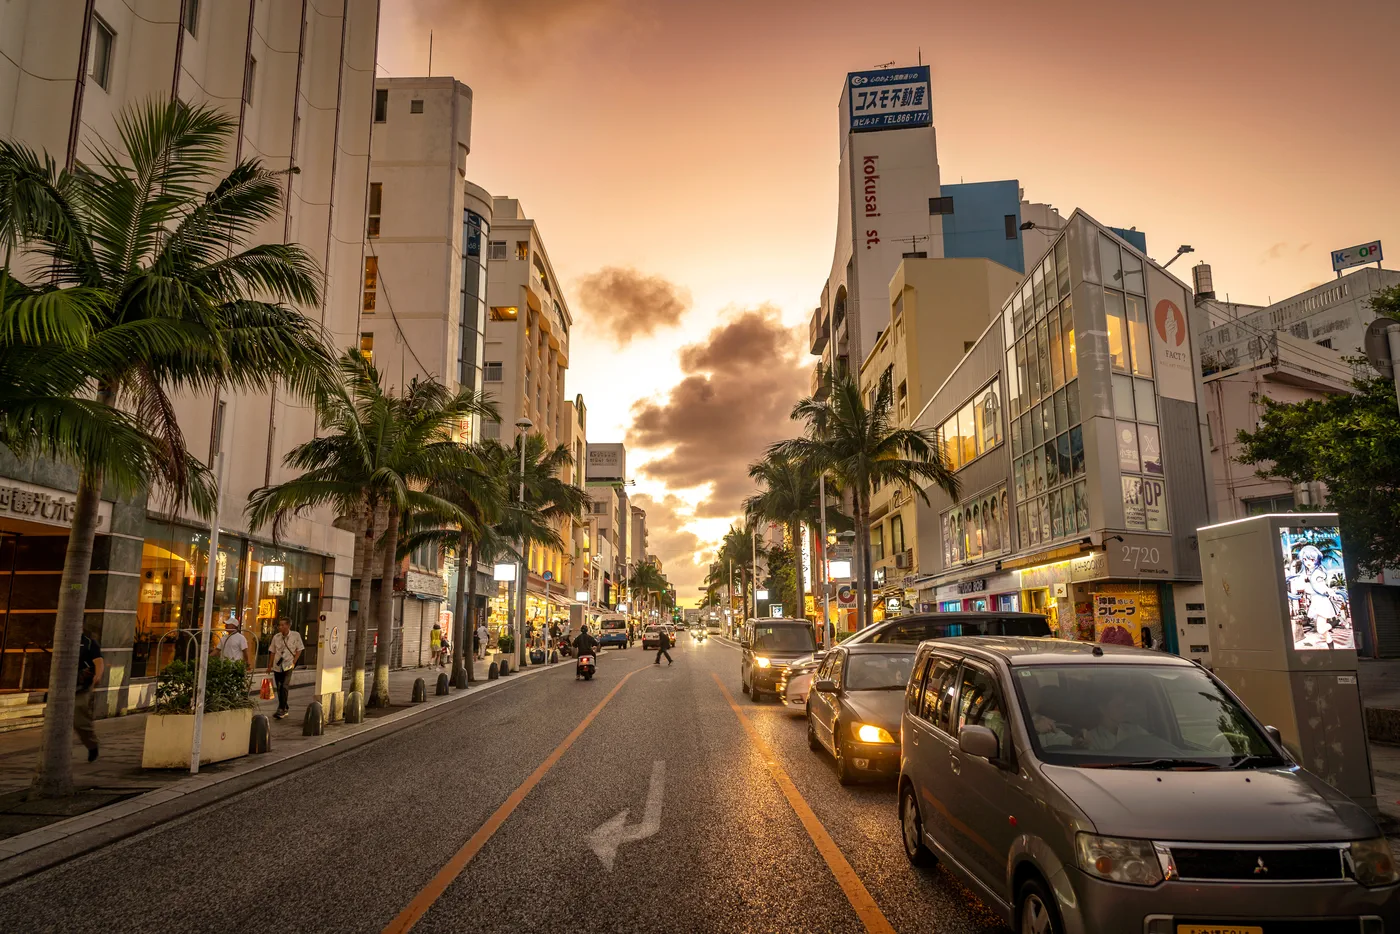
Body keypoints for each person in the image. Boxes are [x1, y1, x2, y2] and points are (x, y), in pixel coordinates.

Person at [1083, 687, 1148, 752]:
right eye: (1118, 706)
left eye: (1123, 705)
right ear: (1103, 708)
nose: (1123, 709)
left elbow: (1153, 742)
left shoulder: (1135, 730)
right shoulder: (1092, 738)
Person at [75, 630, 104, 762]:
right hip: (61, 688)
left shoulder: (89, 643)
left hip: (81, 688)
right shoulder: (58, 639)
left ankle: (92, 745)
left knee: (80, 721)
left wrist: (98, 675)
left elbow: (98, 661)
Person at [266, 619, 304, 720]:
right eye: (280, 625)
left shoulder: (295, 635)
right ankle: (284, 706)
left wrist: (294, 661)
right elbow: (272, 651)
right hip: (277, 665)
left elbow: (299, 649)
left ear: (288, 626)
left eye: (283, 625)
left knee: (284, 686)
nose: (280, 627)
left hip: (288, 664)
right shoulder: (276, 637)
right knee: (278, 687)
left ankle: (281, 708)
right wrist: (269, 665)